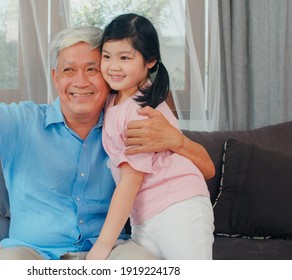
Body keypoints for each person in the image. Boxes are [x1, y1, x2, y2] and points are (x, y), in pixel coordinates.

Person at [0, 25, 214, 260]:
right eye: (69, 70)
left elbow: (204, 166)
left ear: (108, 75)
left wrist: (177, 140)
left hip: (110, 251)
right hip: (32, 253)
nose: (80, 81)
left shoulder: (129, 121)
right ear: (55, 76)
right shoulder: (23, 121)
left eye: (92, 69)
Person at [86, 14, 214, 260]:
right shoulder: (114, 99)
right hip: (144, 217)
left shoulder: (140, 111)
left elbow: (129, 182)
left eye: (125, 57)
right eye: (107, 56)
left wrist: (102, 246)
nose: (113, 66)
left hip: (177, 208)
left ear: (151, 60)